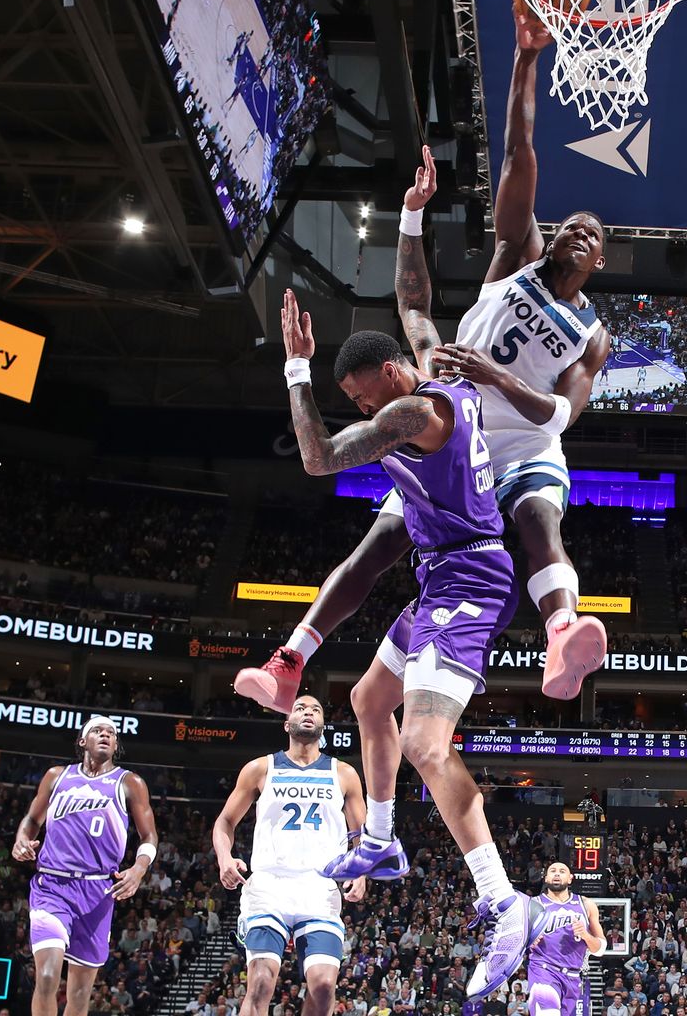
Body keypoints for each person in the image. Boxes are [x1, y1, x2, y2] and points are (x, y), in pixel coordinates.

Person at [234, 0, 615, 712]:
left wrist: (495, 374)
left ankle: (561, 631)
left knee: (538, 522)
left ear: (601, 258)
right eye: (568, 224)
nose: (575, 232)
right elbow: (516, 157)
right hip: (454, 421)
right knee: (377, 544)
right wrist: (527, 62)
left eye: (591, 234)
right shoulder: (516, 259)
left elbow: (564, 413)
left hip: (521, 436)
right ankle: (290, 660)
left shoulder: (592, 335)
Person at [257, 290, 535, 1004]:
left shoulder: (416, 413)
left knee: (425, 744)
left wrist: (297, 369)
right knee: (367, 697)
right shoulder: (431, 367)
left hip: (471, 576)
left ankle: (504, 901)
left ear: (388, 374)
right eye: (344, 396)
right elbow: (414, 303)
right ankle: (379, 836)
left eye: (356, 393)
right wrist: (412, 220)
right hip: (442, 574)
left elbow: (317, 458)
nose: (354, 406)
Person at [212, 696, 368, 1016]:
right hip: (270, 884)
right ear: (287, 724)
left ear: (323, 725)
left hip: (320, 887)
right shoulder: (261, 768)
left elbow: (361, 834)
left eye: (315, 709)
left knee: (324, 986)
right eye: (300, 708)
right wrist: (225, 859)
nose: (308, 712)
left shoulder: (344, 773)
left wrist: (360, 871)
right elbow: (224, 821)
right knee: (260, 982)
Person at [12, 717, 159, 1016]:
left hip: (98, 891)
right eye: (97, 731)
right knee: (48, 976)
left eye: (111, 733)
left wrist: (139, 869)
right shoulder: (57, 776)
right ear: (83, 741)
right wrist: (22, 838)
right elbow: (32, 820)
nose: (105, 735)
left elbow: (149, 835)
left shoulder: (130, 782)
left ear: (116, 745)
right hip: (52, 886)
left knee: (79, 996)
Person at [521, 863, 605, 1016]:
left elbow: (600, 949)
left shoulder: (586, 905)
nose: (557, 874)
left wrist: (586, 936)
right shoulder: (532, 905)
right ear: (546, 878)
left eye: (562, 871)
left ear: (570, 878)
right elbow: (517, 942)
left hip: (572, 976)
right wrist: (528, 942)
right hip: (543, 970)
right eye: (552, 871)